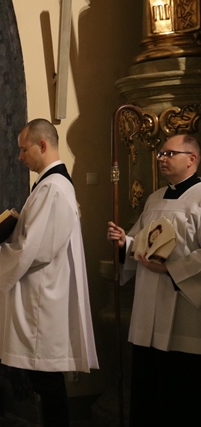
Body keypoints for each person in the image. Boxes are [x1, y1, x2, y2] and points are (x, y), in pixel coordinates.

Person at [0, 119, 98, 427]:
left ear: (42, 145)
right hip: (43, 289)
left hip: (44, 294)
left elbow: (35, 249)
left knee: (48, 382)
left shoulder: (53, 188)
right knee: (44, 381)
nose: (20, 156)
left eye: (24, 149)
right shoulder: (49, 185)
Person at [107, 133, 201, 426]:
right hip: (148, 306)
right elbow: (142, 242)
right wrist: (124, 242)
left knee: (180, 388)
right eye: (160, 154)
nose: (162, 159)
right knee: (148, 385)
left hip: (183, 305)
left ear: (191, 159)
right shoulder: (154, 198)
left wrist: (172, 270)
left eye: (169, 154)